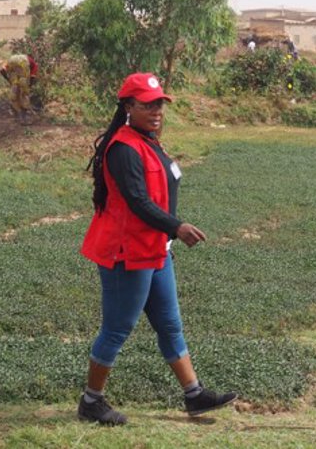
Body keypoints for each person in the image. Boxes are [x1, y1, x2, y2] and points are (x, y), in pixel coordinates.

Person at [78, 73, 237, 425]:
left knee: (170, 325)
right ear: (128, 107)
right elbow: (137, 201)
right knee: (118, 327)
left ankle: (194, 395)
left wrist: (166, 238)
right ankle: (91, 401)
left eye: (159, 104)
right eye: (147, 104)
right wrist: (176, 228)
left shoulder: (149, 141)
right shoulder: (123, 148)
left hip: (154, 248)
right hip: (127, 252)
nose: (156, 111)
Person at [0, 54, 33, 124]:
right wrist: (29, 85)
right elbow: (33, 76)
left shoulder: (14, 58)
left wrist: (8, 80)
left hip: (12, 60)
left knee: (14, 92)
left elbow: (2, 70)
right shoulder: (31, 62)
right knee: (24, 94)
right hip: (23, 66)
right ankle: (24, 119)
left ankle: (16, 116)